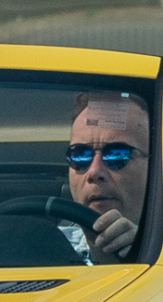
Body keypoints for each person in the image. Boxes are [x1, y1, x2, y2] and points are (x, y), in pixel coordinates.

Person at [63, 90, 149, 262]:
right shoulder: (43, 249)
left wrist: (142, 256)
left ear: (157, 166)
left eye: (117, 155)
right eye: (80, 155)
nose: (94, 172)